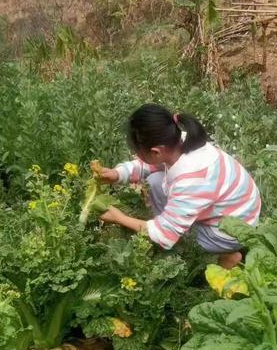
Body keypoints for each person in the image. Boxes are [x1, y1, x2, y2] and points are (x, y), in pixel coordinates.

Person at [98, 103, 261, 269]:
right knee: (156, 181)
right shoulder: (180, 141)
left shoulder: (191, 180)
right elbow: (152, 165)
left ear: (156, 151)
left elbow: (163, 234)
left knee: (169, 235)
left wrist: (119, 218)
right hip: (235, 212)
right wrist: (118, 174)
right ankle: (174, 226)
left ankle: (227, 254)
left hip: (231, 233)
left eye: (138, 152)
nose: (137, 155)